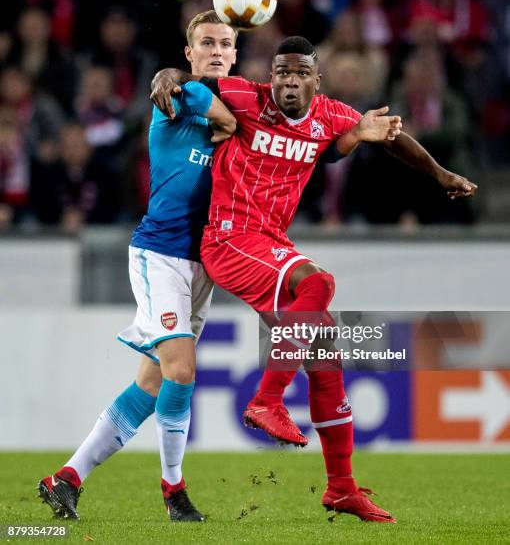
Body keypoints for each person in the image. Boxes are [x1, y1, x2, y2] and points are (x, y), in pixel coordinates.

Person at [150, 36, 477, 522]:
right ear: (272, 76)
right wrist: (168, 76)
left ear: (315, 80)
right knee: (319, 283)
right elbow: (193, 85)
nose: (288, 81)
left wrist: (441, 173)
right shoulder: (247, 96)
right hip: (228, 238)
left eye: (299, 73)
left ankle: (342, 488)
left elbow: (390, 137)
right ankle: (266, 400)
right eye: (281, 72)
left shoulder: (330, 116)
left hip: (270, 243)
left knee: (326, 357)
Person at [37, 11, 238, 522]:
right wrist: (170, 77)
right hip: (161, 256)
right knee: (183, 369)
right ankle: (174, 491)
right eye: (205, 43)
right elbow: (201, 101)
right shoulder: (174, 99)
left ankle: (66, 479)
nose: (216, 50)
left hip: (203, 266)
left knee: (152, 384)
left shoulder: (238, 111)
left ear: (236, 55)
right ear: (188, 53)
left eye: (225, 43)